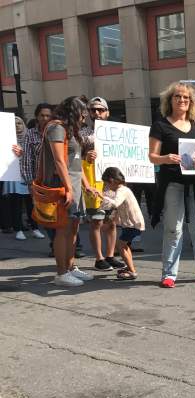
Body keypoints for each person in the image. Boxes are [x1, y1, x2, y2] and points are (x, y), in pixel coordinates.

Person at [149, 81, 195, 288]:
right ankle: (169, 274)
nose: (182, 100)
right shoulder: (160, 125)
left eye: (186, 97)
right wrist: (166, 158)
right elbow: (152, 156)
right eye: (177, 96)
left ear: (191, 102)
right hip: (173, 184)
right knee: (173, 229)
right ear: (170, 100)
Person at [39, 96, 100, 287]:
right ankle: (61, 273)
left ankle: (71, 267)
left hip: (74, 186)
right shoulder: (57, 128)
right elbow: (59, 162)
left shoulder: (71, 130)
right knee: (63, 229)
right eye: (82, 115)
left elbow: (76, 163)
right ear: (73, 113)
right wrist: (68, 188)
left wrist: (86, 186)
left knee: (73, 228)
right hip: (62, 185)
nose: (84, 118)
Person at [82, 96, 124, 271]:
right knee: (97, 222)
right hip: (94, 183)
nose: (97, 113)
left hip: (112, 185)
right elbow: (74, 159)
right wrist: (86, 156)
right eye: (93, 110)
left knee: (112, 221)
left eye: (100, 109)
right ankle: (99, 258)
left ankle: (110, 255)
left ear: (107, 112)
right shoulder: (83, 134)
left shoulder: (117, 133)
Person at [99, 167, 144, 280]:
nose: (107, 187)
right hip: (131, 224)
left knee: (120, 246)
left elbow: (115, 203)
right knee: (125, 245)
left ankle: (132, 271)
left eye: (106, 184)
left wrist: (101, 196)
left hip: (132, 224)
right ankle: (130, 267)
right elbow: (112, 206)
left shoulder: (122, 190)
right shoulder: (122, 190)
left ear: (111, 181)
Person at [5, 117, 44, 240]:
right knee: (16, 202)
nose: (17, 126)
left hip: (29, 173)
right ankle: (18, 229)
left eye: (19, 123)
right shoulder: (6, 140)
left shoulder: (30, 137)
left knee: (31, 202)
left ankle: (35, 228)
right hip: (14, 174)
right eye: (14, 124)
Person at [18, 105, 52, 241]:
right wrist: (30, 182)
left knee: (62, 215)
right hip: (40, 181)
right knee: (46, 214)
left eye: (48, 115)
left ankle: (64, 245)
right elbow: (26, 159)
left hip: (57, 179)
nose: (45, 118)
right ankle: (54, 243)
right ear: (37, 116)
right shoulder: (30, 134)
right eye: (42, 115)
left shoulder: (57, 131)